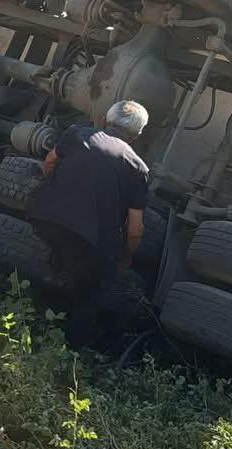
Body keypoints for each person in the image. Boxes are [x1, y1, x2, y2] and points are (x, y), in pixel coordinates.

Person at [25, 99, 150, 349]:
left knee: (57, 260)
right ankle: (70, 354)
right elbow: (135, 229)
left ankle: (27, 320)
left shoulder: (78, 133)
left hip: (45, 219)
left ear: (106, 120)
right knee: (89, 294)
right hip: (89, 242)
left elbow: (49, 162)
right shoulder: (138, 167)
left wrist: (54, 191)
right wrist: (125, 257)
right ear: (137, 135)